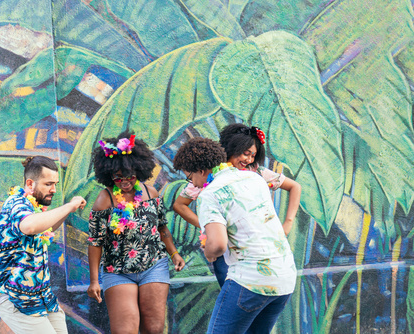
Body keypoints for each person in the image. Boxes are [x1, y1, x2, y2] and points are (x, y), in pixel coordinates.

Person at [173, 138, 297, 333]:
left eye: (189, 177)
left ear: (201, 171)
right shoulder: (254, 178)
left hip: (250, 280)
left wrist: (209, 252)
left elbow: (219, 245)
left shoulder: (210, 194)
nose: (192, 182)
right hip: (284, 277)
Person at [173, 124, 301, 286]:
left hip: (255, 250)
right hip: (224, 248)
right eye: (245, 154)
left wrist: (288, 223)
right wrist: (210, 226)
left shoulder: (256, 173)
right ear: (231, 149)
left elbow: (295, 186)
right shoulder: (207, 176)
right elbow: (180, 205)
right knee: (231, 289)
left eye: (253, 155)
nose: (249, 160)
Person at [86, 132, 185, 334]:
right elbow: (95, 242)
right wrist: (94, 280)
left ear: (139, 170)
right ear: (109, 174)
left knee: (154, 328)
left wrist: (174, 253)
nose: (124, 181)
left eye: (129, 176)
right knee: (125, 330)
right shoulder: (104, 199)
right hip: (118, 270)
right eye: (118, 177)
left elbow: (162, 227)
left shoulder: (151, 193)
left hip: (154, 265)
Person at [0, 156, 87, 334]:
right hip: (15, 296)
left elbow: (45, 227)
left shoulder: (33, 207)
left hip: (41, 297)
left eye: (55, 184)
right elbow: (29, 225)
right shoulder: (16, 203)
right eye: (48, 184)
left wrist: (69, 208)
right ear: (30, 183)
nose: (54, 189)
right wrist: (69, 207)